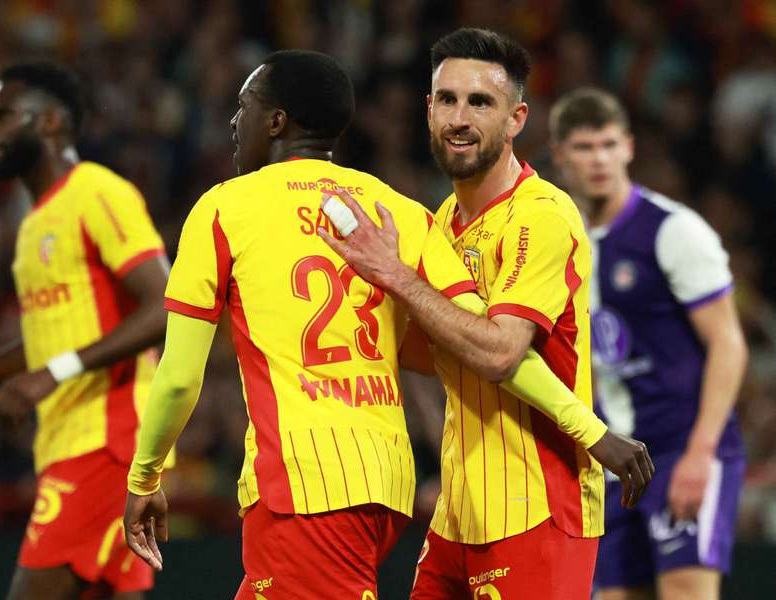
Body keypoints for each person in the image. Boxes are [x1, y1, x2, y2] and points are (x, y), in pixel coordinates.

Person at [126, 46, 650, 600]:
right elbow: (478, 342)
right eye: (445, 99)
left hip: (304, 479)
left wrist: (144, 477)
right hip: (395, 483)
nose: (234, 121)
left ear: (276, 120)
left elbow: (180, 376)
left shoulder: (223, 207)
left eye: (244, 105)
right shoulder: (406, 212)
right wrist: (594, 431)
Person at [319, 28, 653, 600]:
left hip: (536, 503)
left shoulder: (541, 216)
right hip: (458, 510)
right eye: (446, 99)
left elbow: (500, 351)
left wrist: (396, 276)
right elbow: (438, 351)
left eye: (480, 102)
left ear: (517, 118)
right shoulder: (442, 218)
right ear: (428, 110)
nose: (459, 117)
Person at [0, 61, 170, 600]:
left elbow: (163, 305)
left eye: (2, 116)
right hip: (70, 440)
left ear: (49, 122)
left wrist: (51, 374)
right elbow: (48, 341)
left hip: (109, 440)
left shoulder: (97, 192)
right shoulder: (33, 224)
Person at [549, 87, 747, 600]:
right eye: (586, 148)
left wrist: (701, 454)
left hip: (681, 446)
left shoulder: (673, 231)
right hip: (615, 461)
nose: (600, 160)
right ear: (559, 155)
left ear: (630, 148)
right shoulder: (558, 245)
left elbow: (728, 343)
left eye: (610, 145)